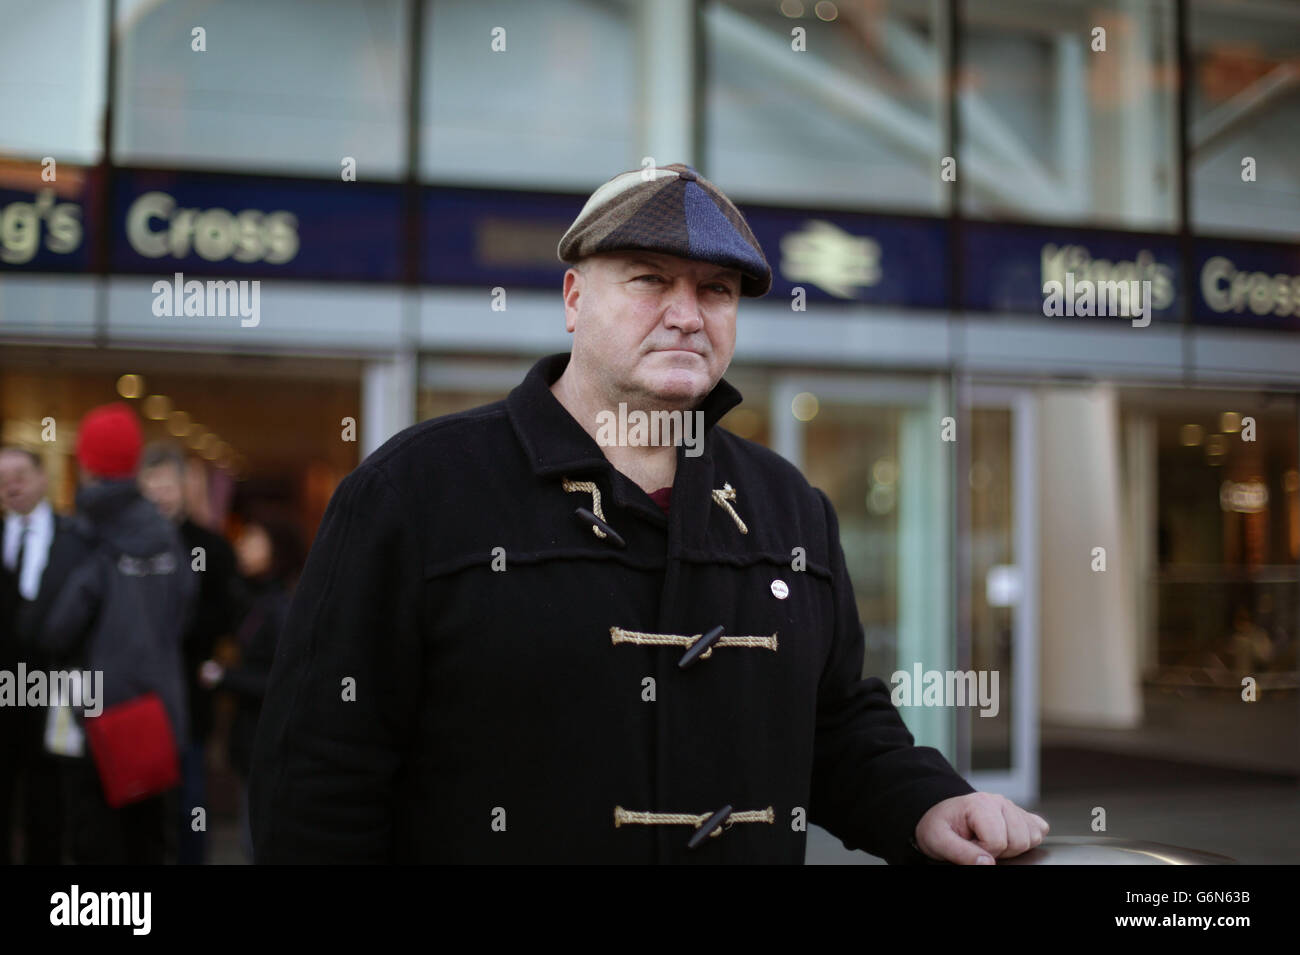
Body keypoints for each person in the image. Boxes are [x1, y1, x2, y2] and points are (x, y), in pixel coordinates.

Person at [251, 162, 1049, 864]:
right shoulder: (414, 493)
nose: (687, 313)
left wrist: (928, 803)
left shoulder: (789, 508)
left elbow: (836, 724)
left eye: (717, 290)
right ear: (573, 297)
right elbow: (320, 780)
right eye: (649, 279)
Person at [38, 403, 195, 865]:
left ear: (85, 462)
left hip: (98, 717)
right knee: (150, 840)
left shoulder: (88, 534)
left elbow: (56, 628)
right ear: (134, 463)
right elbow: (183, 610)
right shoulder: (166, 536)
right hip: (159, 714)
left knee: (96, 843)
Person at [138, 442, 240, 865]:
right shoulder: (126, 545)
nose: (161, 494)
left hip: (188, 695)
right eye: (152, 485)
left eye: (168, 484)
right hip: (136, 695)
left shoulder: (210, 548)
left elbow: (228, 611)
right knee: (139, 801)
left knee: (189, 803)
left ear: (185, 486)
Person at [0, 447, 90, 864]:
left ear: (42, 478)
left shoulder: (79, 537)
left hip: (55, 688)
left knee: (49, 799)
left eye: (19, 474)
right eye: (2, 477)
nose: (10, 484)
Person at [199, 513, 300, 861]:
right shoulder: (251, 596)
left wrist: (223, 678)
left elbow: (283, 680)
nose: (242, 546)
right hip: (251, 737)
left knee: (259, 840)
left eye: (253, 540)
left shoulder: (282, 604)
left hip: (266, 739)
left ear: (277, 550)